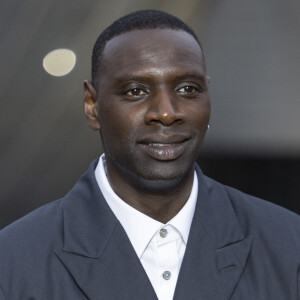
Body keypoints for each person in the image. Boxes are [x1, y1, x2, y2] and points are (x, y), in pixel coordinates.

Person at [0, 10, 299, 300]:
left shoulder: (289, 247)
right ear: (92, 106)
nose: (167, 112)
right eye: (135, 91)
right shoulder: (13, 262)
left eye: (187, 88)